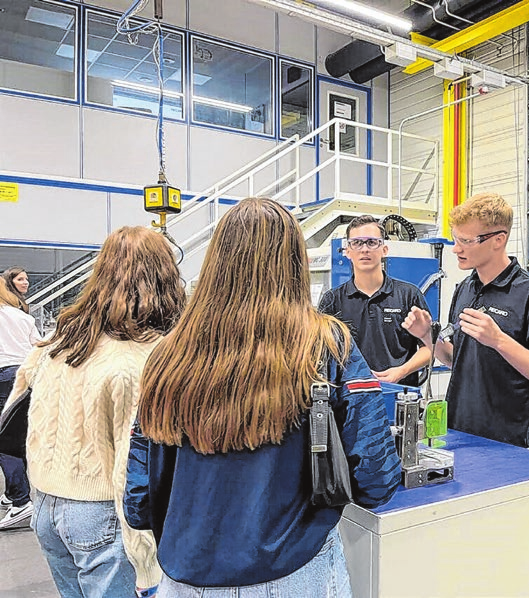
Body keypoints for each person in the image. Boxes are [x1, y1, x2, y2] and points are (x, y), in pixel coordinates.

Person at [126, 198, 401, 597]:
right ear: (295, 261)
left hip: (187, 575)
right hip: (295, 571)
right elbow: (374, 478)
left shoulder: (168, 354)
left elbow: (138, 498)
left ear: (217, 259)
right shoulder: (327, 345)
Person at [6, 227, 185, 597]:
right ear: (165, 278)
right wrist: (146, 559)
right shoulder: (143, 358)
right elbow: (128, 467)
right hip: (102, 514)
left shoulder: (58, 341)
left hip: (46, 505)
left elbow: (17, 410)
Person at [403, 192, 529, 451]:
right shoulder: (465, 289)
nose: (456, 248)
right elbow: (455, 359)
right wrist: (426, 335)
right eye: (455, 239)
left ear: (498, 240)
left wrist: (499, 341)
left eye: (465, 241)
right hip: (460, 434)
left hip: (511, 446)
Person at [318, 215, 432, 387]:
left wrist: (401, 371)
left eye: (372, 242)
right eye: (357, 243)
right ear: (348, 251)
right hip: (349, 397)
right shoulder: (332, 300)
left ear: (384, 249)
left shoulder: (409, 295)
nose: (365, 249)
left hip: (398, 394)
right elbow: (321, 352)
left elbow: (429, 348)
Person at [0, 277, 41, 529]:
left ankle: (20, 500)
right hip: (23, 374)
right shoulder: (23, 317)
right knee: (16, 433)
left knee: (3, 440)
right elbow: (38, 346)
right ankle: (14, 491)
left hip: (2, 374)